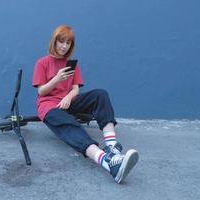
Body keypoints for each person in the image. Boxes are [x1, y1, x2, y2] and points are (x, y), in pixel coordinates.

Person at [32, 24, 138, 184]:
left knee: (100, 95)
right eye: (61, 41)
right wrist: (57, 79)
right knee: (70, 123)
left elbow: (75, 89)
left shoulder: (71, 64)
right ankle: (107, 163)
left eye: (68, 43)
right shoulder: (42, 62)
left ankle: (111, 147)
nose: (64, 46)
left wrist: (68, 97)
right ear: (54, 41)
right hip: (49, 105)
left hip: (69, 102)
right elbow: (41, 92)